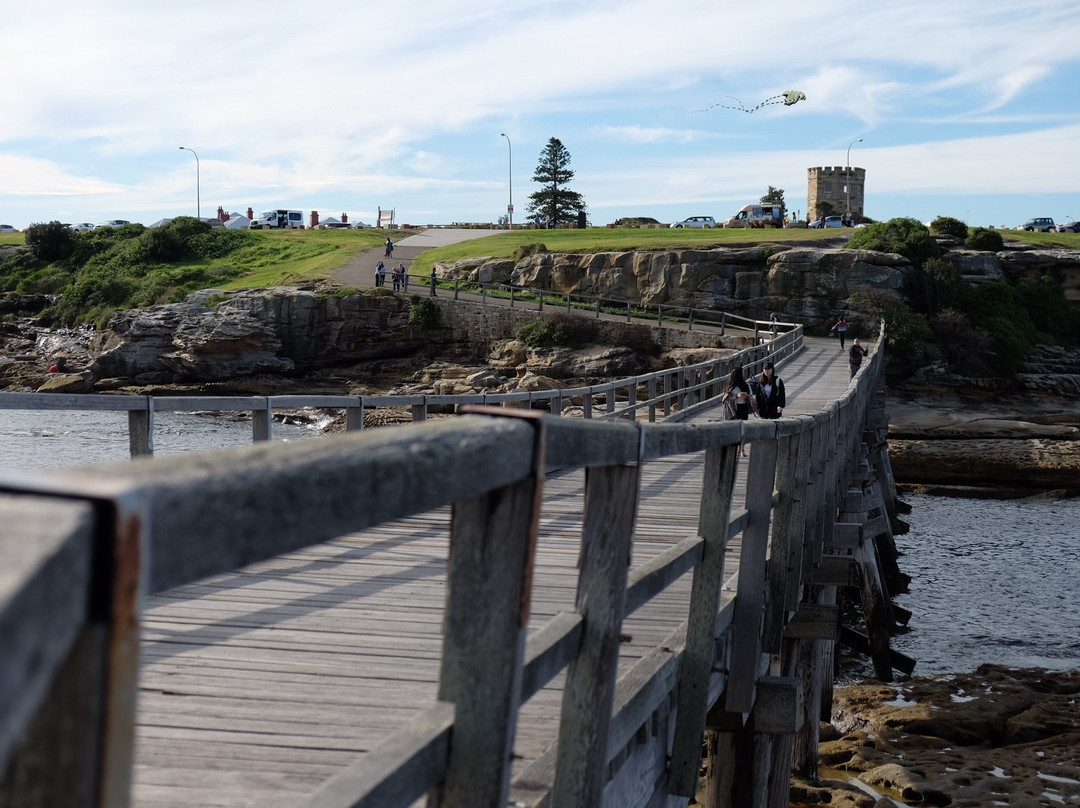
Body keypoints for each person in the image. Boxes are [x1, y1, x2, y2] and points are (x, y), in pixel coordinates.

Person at [722, 366, 753, 456]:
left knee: (743, 430)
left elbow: (750, 395)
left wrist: (746, 396)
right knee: (734, 430)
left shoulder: (745, 385)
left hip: (743, 408)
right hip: (734, 410)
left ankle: (742, 450)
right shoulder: (730, 388)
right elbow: (726, 399)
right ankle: (733, 450)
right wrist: (737, 396)